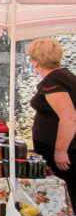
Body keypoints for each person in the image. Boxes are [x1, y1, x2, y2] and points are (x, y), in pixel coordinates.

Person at [26, 38, 76, 206]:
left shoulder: (54, 81)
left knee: (66, 194)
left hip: (63, 151)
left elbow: (69, 116)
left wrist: (61, 150)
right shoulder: (63, 76)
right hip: (55, 146)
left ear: (35, 61)